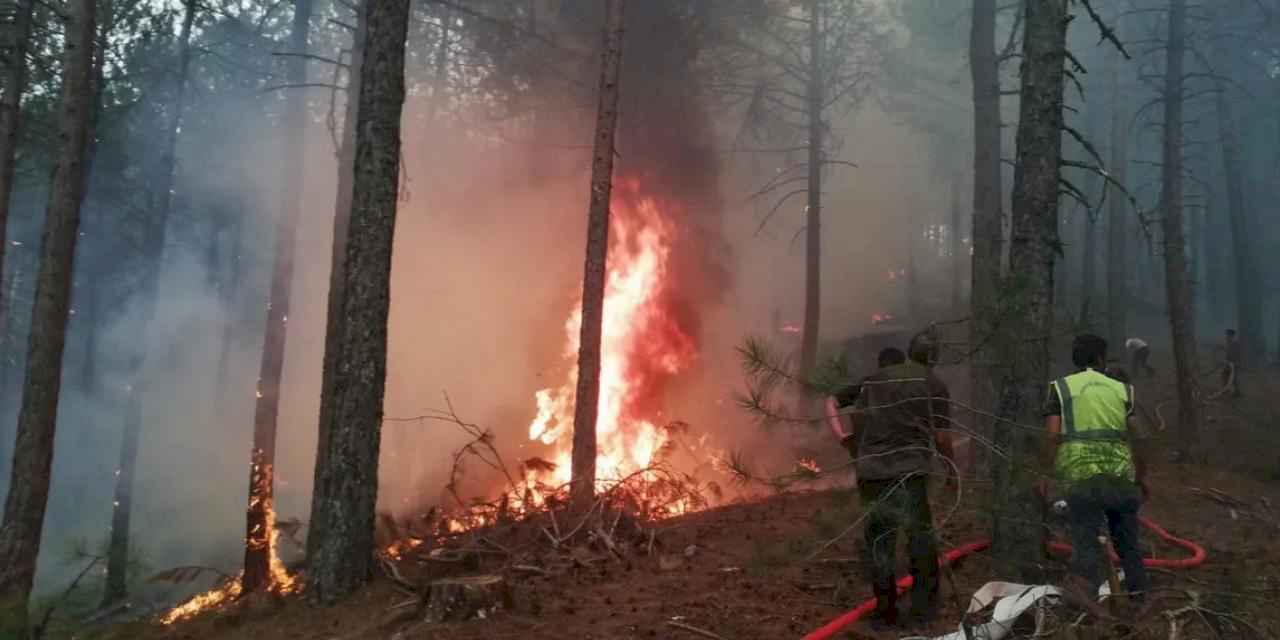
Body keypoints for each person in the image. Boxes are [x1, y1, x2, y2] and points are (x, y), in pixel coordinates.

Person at [840, 333, 954, 627]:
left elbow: (855, 414)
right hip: (909, 471)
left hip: (873, 472)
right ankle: (923, 611)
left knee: (880, 540)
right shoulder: (934, 384)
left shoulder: (876, 379)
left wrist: (854, 447)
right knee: (919, 538)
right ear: (934, 357)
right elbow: (942, 437)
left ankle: (885, 611)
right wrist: (951, 469)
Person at [1043, 334, 1151, 603]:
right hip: (1119, 476)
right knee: (1128, 546)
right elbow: (1140, 436)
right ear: (1102, 358)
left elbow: (1053, 435)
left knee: (1084, 543)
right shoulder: (1122, 389)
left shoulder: (1061, 388)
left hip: (1080, 477)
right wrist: (1141, 475)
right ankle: (1139, 602)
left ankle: (1086, 608)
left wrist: (1046, 473)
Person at [1222, 329, 1242, 398]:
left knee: (1233, 379)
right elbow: (1227, 353)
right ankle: (1226, 391)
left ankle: (1236, 392)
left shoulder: (1234, 344)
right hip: (1228, 363)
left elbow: (1237, 354)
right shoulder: (1228, 343)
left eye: (1228, 335)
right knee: (1225, 376)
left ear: (1232, 336)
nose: (1227, 336)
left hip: (1233, 364)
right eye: (1227, 335)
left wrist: (1236, 363)